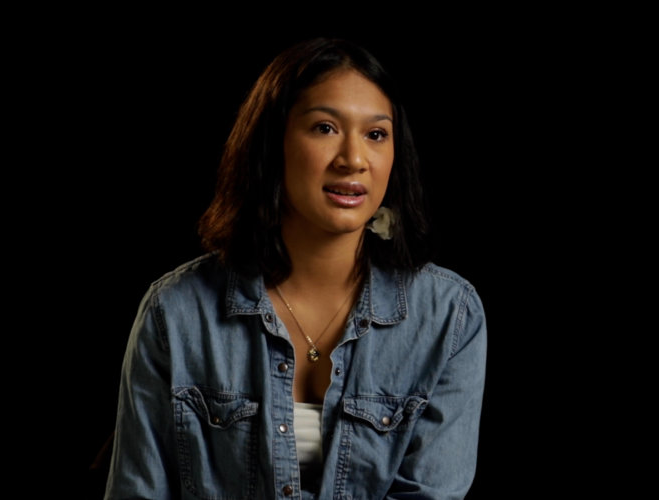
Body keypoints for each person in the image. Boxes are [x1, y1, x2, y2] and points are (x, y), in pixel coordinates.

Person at [104, 36, 487, 499]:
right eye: (325, 128)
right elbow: (137, 489)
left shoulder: (449, 316)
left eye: (376, 134)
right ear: (272, 142)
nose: (354, 159)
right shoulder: (177, 311)